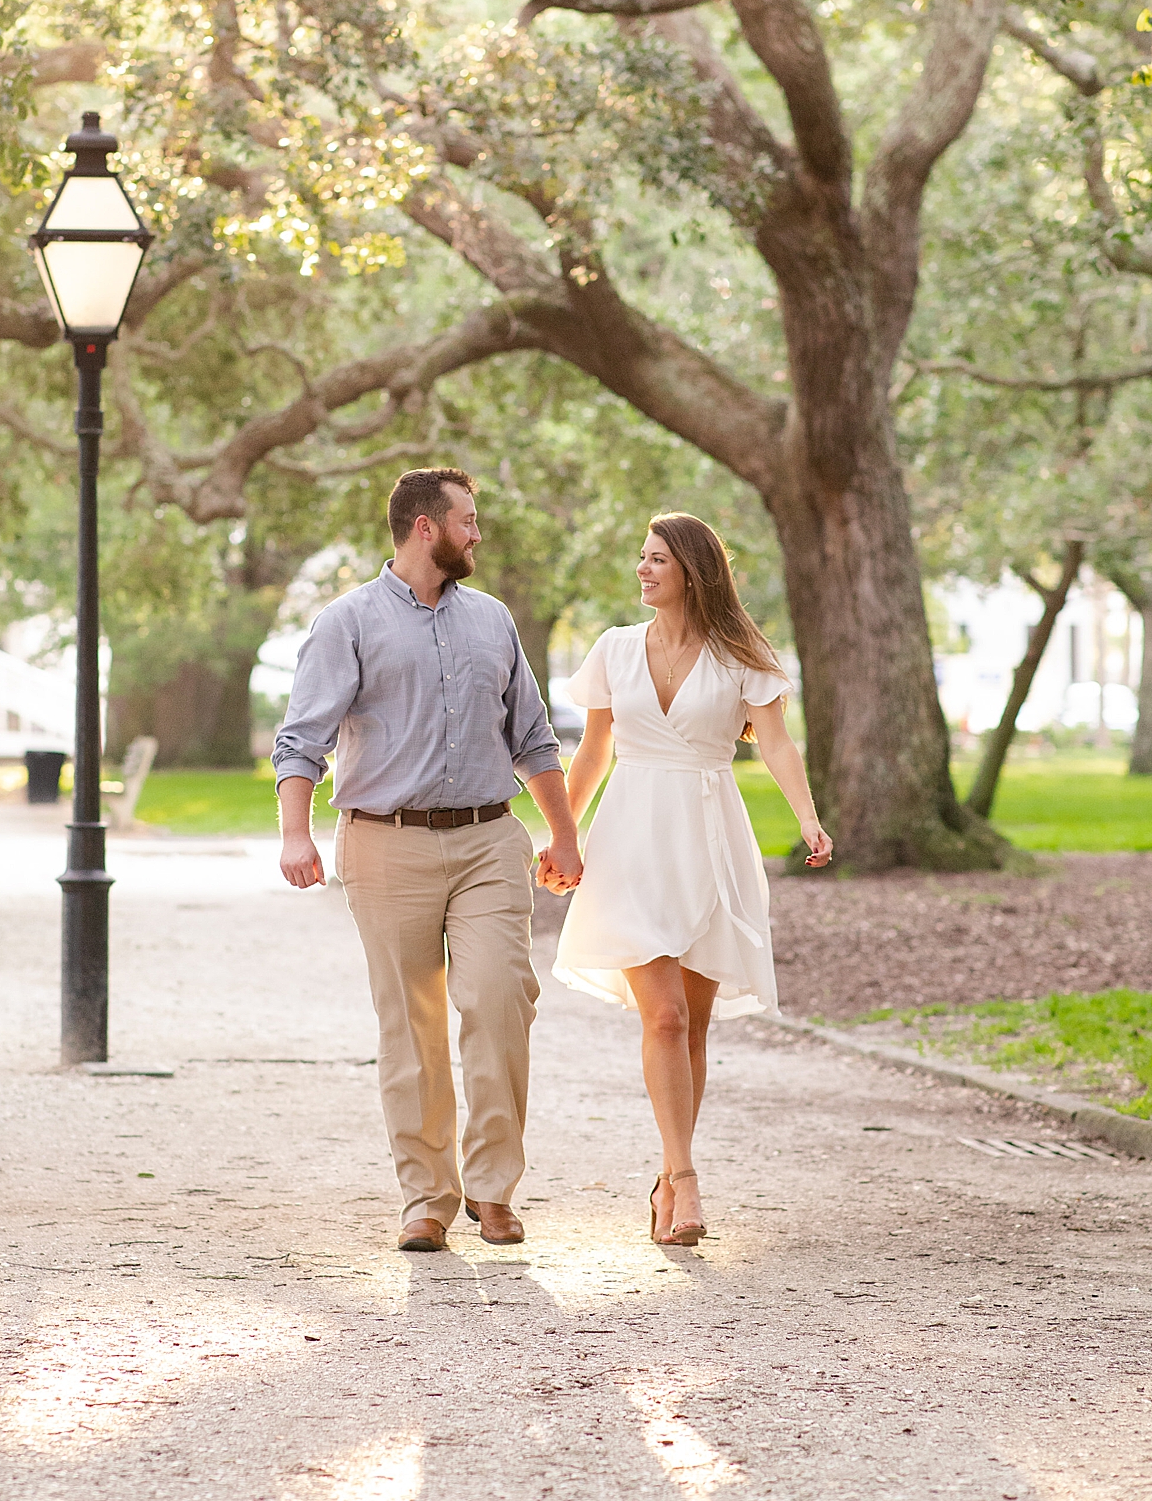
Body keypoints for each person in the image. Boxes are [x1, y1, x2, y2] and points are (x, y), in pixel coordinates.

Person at [274, 467, 583, 1253]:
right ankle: (427, 1199)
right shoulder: (346, 622)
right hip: (384, 842)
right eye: (468, 520)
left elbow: (534, 738)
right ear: (425, 528)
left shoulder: (494, 621)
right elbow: (301, 736)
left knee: (498, 1000)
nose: (477, 533)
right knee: (409, 1024)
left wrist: (564, 833)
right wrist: (295, 833)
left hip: (488, 839)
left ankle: (492, 1189)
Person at [549, 512, 832, 1247]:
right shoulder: (613, 650)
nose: (642, 570)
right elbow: (593, 753)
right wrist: (563, 835)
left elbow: (775, 741)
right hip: (632, 838)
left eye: (657, 561)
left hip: (710, 838)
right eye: (641, 558)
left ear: (693, 571)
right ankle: (684, 1179)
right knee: (665, 1017)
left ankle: (668, 1170)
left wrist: (808, 819)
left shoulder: (742, 653)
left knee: (694, 1026)